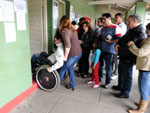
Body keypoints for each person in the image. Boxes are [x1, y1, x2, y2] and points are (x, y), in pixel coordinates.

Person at [114, 14, 147, 98]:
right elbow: (123, 38)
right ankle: (120, 86)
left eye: (128, 21)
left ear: (135, 21)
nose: (127, 23)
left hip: (129, 56)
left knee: (127, 75)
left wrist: (119, 48)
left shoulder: (140, 32)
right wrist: (117, 44)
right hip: (123, 55)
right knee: (121, 72)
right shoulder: (131, 29)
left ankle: (126, 92)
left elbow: (130, 45)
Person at [127, 23, 150, 113]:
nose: (146, 31)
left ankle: (141, 109)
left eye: (147, 30)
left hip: (146, 68)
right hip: (145, 67)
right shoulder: (148, 39)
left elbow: (140, 52)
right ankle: (142, 103)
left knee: (144, 88)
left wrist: (131, 45)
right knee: (145, 88)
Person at [59, 15, 82, 91]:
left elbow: (68, 45)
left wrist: (65, 56)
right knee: (70, 68)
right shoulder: (72, 29)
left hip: (73, 55)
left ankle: (55, 83)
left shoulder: (64, 31)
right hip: (79, 53)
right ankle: (72, 84)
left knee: (63, 68)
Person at [99, 13, 122, 88]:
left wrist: (111, 42)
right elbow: (100, 38)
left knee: (108, 67)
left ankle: (108, 82)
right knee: (101, 66)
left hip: (110, 51)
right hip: (102, 49)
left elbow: (119, 39)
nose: (103, 20)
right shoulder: (103, 28)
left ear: (109, 19)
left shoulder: (115, 27)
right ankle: (99, 79)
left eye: (104, 19)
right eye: (102, 19)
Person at [111, 13, 127, 80]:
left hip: (118, 45)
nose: (115, 19)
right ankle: (112, 72)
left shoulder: (123, 26)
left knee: (116, 60)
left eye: (117, 17)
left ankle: (115, 73)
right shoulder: (117, 25)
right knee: (113, 59)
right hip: (114, 44)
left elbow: (120, 36)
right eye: (115, 17)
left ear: (121, 18)